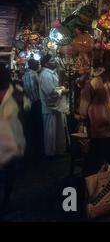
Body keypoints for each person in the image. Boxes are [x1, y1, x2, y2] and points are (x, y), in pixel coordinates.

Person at [80, 50, 110, 176]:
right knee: (96, 165)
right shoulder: (93, 83)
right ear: (104, 63)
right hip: (100, 132)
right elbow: (83, 110)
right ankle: (92, 191)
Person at [0, 63, 25, 214]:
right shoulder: (14, 91)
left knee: (8, 176)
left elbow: (22, 114)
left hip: (11, 144)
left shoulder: (15, 91)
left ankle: (6, 202)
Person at [39, 54, 69, 157]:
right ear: (46, 63)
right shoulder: (46, 75)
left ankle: (58, 151)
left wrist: (60, 88)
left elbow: (54, 89)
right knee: (50, 133)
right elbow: (51, 92)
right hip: (50, 109)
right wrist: (62, 90)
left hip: (55, 108)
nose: (54, 61)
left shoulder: (50, 73)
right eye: (52, 60)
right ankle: (51, 154)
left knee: (56, 132)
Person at [22, 58, 44, 159]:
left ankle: (33, 151)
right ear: (32, 65)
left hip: (29, 104)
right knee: (39, 127)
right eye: (36, 63)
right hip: (37, 103)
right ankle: (39, 151)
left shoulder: (24, 76)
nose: (38, 65)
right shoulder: (35, 75)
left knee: (32, 127)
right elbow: (41, 88)